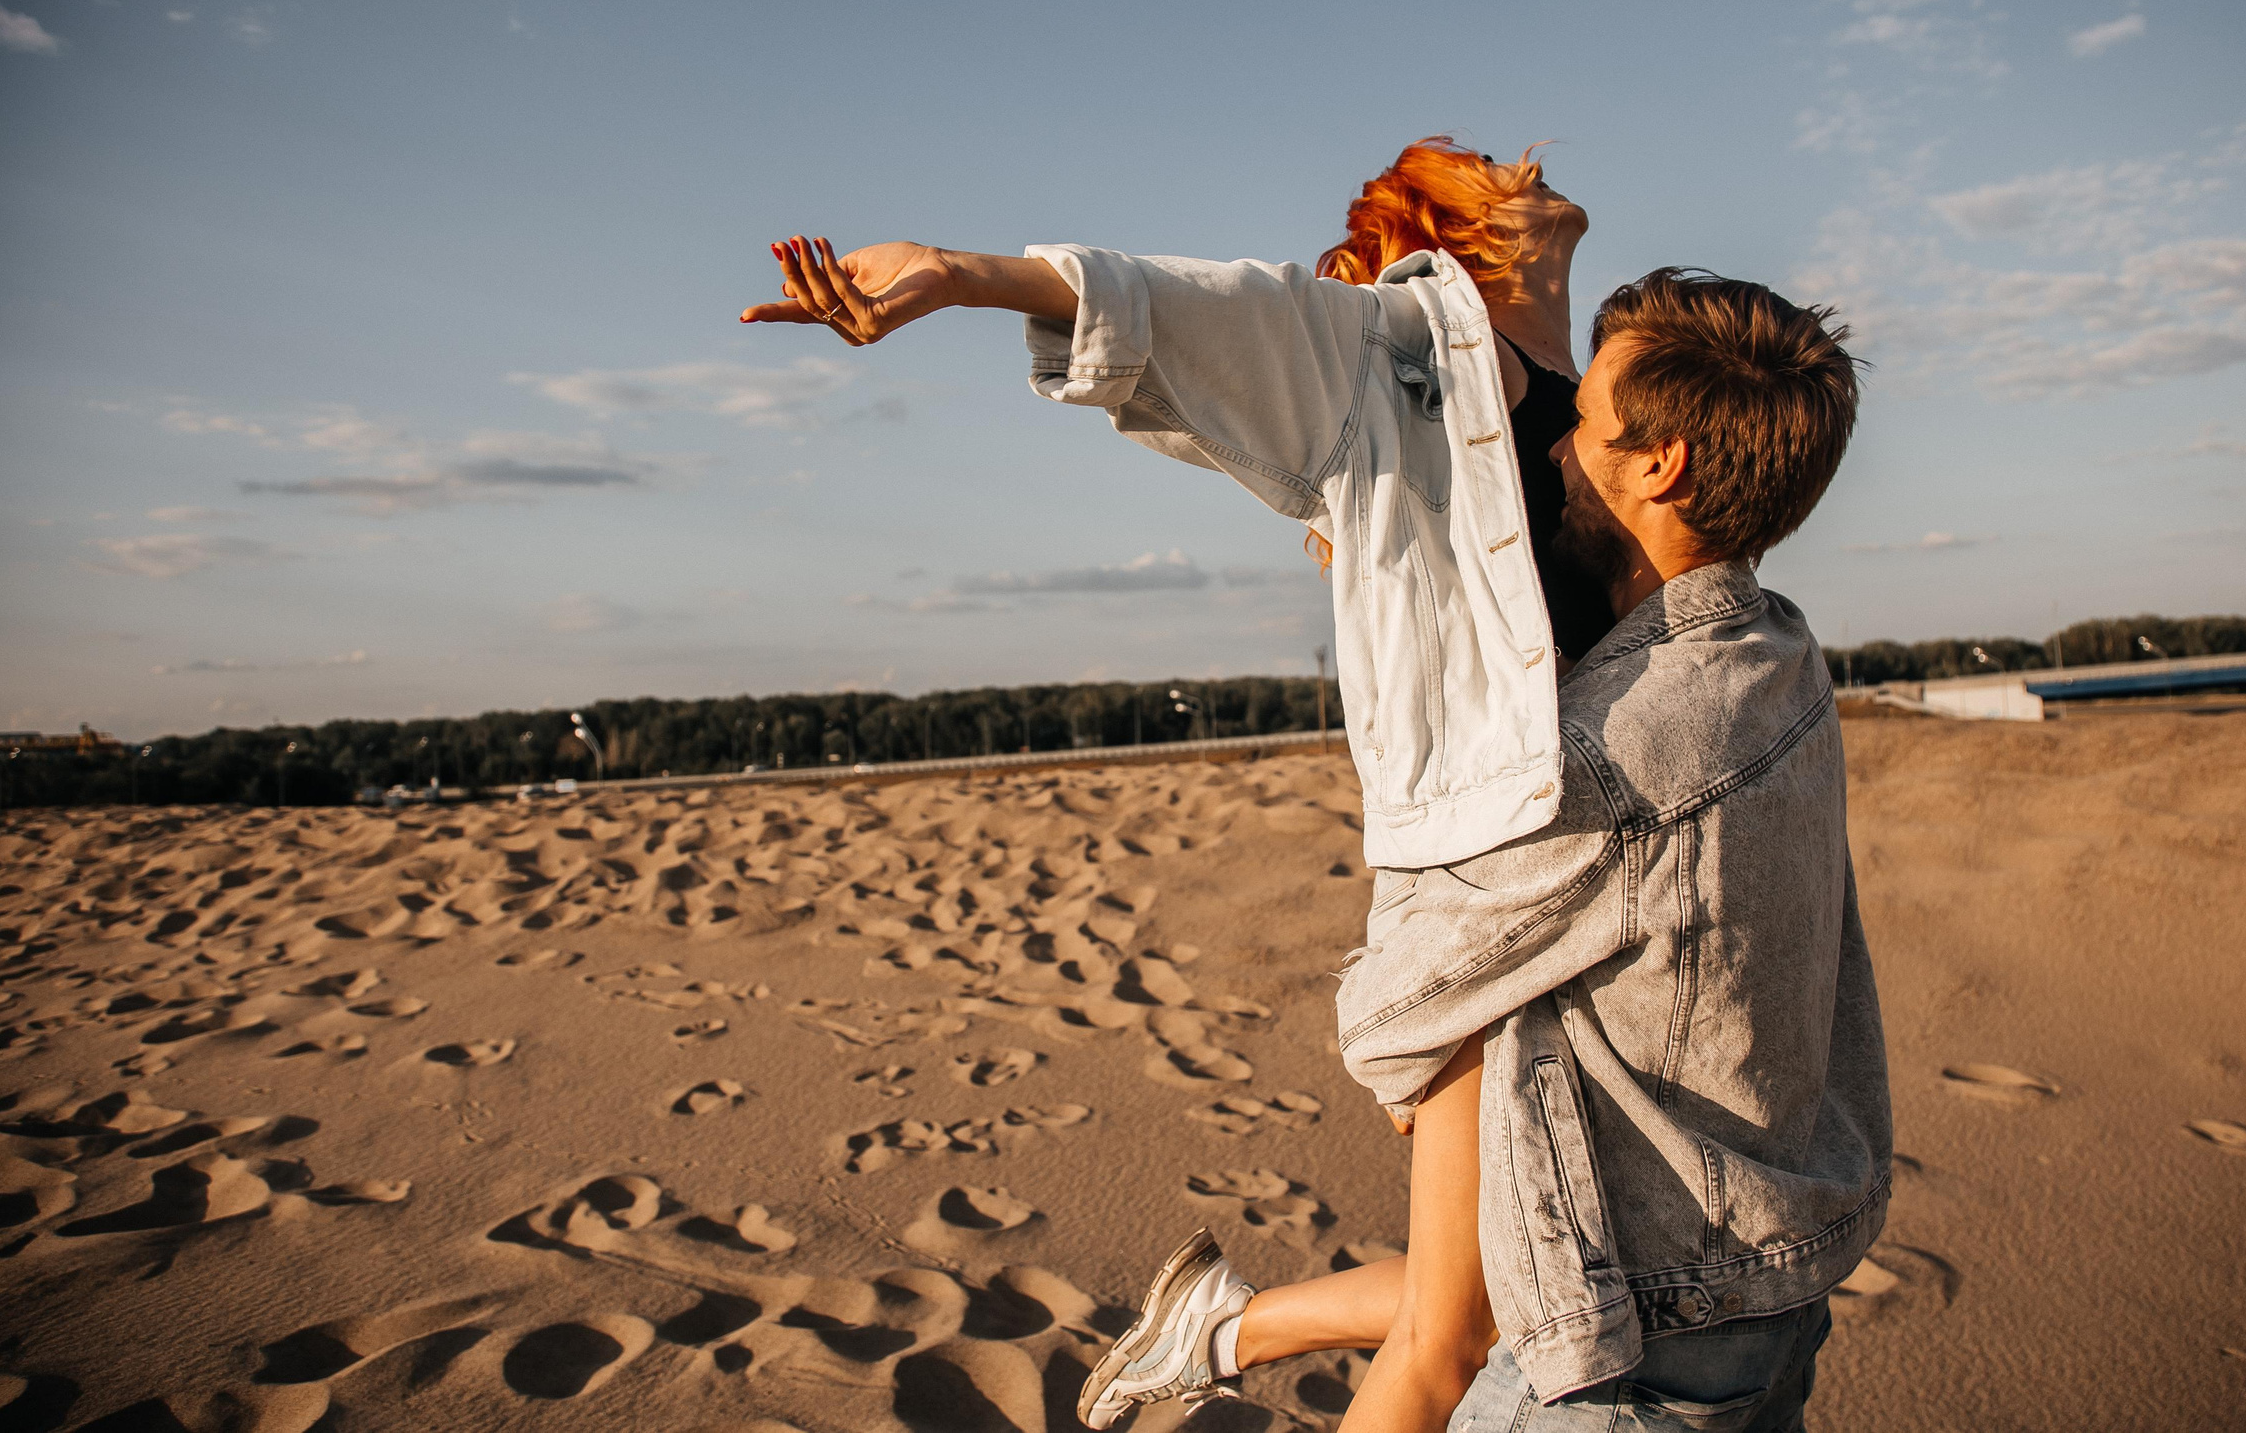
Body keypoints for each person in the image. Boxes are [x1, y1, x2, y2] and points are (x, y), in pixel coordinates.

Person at [743, 155, 1890, 1432]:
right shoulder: (1444, 398)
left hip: (1558, 963)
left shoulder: (1619, 627)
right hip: (1550, 969)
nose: (1542, 177)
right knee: (1461, 1323)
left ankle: (1224, 1327)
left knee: (1472, 1310)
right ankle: (1225, 1328)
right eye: (1509, 178)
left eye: (1590, 422)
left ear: (1661, 462)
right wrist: (966, 277)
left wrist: (1401, 1026)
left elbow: (1432, 966)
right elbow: (1226, 316)